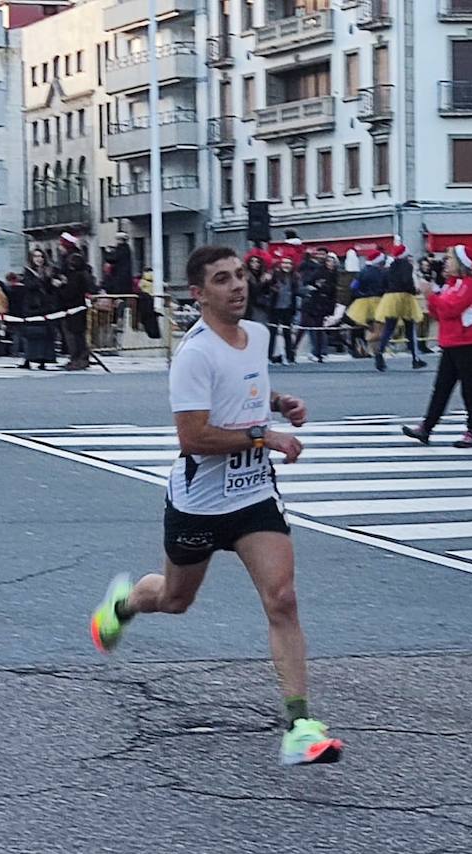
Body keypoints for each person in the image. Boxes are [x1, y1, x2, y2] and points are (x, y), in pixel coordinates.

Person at [88, 244, 343, 767]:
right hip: (200, 505)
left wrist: (280, 402)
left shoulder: (259, 337)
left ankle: (299, 725)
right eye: (223, 279)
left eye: (241, 275)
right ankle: (124, 605)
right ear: (199, 294)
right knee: (175, 600)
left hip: (253, 497)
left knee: (283, 599)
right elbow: (193, 436)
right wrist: (264, 436)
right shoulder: (194, 354)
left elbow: (246, 388)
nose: (238, 286)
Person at [401, 244, 472, 449]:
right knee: (441, 387)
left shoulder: (469, 285)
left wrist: (431, 295)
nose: (445, 262)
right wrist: (431, 298)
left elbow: (450, 309)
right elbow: (439, 312)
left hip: (469, 342)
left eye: (449, 259)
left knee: (470, 388)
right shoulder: (452, 284)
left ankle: (471, 430)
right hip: (452, 341)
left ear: (460, 263)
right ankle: (426, 427)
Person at [374, 243, 424, 371]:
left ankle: (380, 352)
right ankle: (415, 358)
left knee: (389, 327)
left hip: (390, 298)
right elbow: (406, 280)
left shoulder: (390, 267)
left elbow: (383, 283)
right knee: (410, 328)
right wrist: (413, 290)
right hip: (404, 297)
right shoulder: (407, 265)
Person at [20, 248, 57, 370]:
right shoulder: (28, 272)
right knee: (32, 333)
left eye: (41, 256)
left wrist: (52, 280)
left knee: (45, 334)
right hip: (32, 307)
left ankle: (43, 359)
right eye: (36, 256)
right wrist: (40, 278)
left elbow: (51, 289)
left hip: (46, 307)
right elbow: (29, 286)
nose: (39, 259)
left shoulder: (49, 271)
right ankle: (29, 358)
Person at [268, 256, 298, 363]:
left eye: (289, 263)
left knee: (287, 334)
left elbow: (297, 291)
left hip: (288, 308)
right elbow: (267, 288)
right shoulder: (274, 276)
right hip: (275, 307)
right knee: (272, 333)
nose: (287, 265)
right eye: (284, 263)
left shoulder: (294, 277)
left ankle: (290, 357)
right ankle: (269, 356)